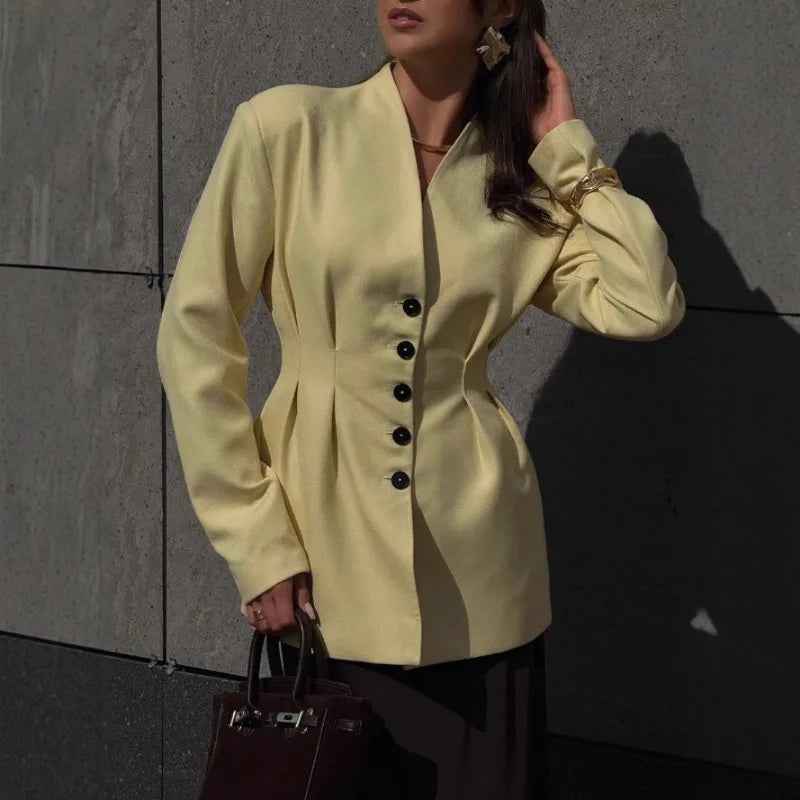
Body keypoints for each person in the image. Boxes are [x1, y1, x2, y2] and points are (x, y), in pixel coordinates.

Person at [156, 0, 686, 796]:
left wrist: (568, 149)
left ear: (499, 6)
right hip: (323, 573)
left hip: (484, 586)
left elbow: (647, 303)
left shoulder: (524, 177)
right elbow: (194, 337)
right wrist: (257, 542)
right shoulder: (288, 130)